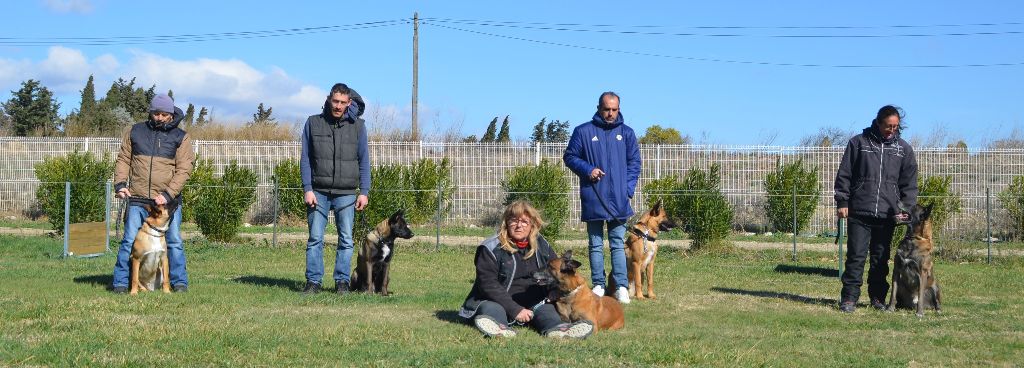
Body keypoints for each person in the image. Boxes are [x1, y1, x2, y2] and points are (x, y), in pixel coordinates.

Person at [459, 200, 594, 338]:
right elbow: (488, 284)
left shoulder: (542, 245)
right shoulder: (490, 247)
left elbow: (555, 273)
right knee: (492, 310)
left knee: (547, 312)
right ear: (506, 223)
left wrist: (554, 290)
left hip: (533, 302)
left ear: (532, 225)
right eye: (514, 221)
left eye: (524, 222)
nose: (519, 226)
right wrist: (515, 309)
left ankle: (560, 330)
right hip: (495, 300)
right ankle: (500, 329)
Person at [834, 104, 918, 313]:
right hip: (859, 211)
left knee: (880, 259)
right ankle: (849, 299)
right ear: (878, 123)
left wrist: (905, 209)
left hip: (887, 214)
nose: (892, 130)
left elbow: (909, 184)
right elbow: (845, 174)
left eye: (896, 127)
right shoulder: (858, 143)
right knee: (856, 257)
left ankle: (878, 298)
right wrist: (843, 202)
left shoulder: (904, 150)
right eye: (888, 126)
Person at [563, 91, 641, 304]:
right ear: (599, 108)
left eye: (614, 110)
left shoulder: (627, 133)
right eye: (607, 109)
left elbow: (634, 163)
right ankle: (598, 285)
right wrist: (588, 170)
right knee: (595, 243)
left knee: (617, 243)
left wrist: (627, 190)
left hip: (619, 200)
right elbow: (569, 156)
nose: (610, 113)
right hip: (593, 196)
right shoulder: (583, 131)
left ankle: (622, 287)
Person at [111, 94, 195, 294]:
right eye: (156, 113)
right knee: (129, 241)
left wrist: (167, 194)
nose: (159, 117)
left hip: (165, 203)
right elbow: (124, 159)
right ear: (150, 112)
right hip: (137, 199)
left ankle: (179, 282)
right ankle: (121, 283)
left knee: (174, 241)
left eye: (164, 114)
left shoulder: (181, 137)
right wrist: (120, 184)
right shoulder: (135, 131)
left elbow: (185, 169)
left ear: (171, 114)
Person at [300, 83, 370, 295]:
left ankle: (342, 282)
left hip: (347, 193)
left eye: (342, 102)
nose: (338, 106)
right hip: (318, 192)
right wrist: (307, 188)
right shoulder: (313, 123)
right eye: (335, 101)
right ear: (329, 99)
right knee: (315, 239)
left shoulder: (358, 126)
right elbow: (305, 159)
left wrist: (364, 192)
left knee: (346, 240)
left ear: (349, 103)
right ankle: (313, 282)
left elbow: (364, 160)